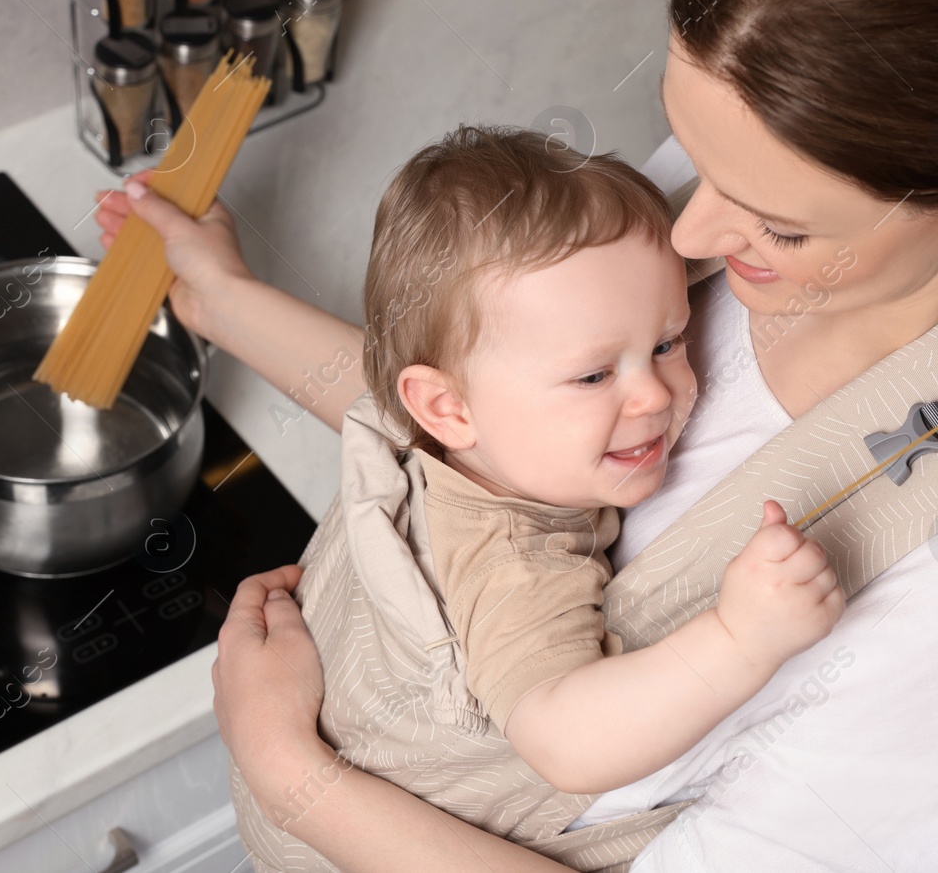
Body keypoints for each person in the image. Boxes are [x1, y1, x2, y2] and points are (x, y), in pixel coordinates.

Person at [96, 0, 938, 870]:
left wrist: (291, 771)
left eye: (776, 225)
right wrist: (225, 299)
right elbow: (486, 414)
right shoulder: (751, 179)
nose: (688, 233)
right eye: (693, 149)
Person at [220, 125, 844, 870]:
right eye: (592, 376)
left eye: (668, 341)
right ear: (448, 409)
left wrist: (215, 294)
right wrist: (744, 637)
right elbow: (564, 741)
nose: (654, 392)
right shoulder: (513, 560)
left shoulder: (463, 444)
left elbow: (373, 385)